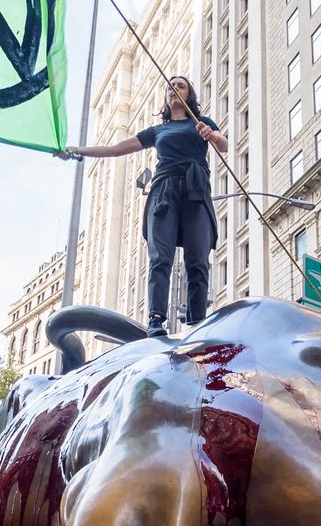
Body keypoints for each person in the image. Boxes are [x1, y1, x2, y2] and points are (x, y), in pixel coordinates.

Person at [60, 75, 228, 337]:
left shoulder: (201, 123)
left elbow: (224, 145)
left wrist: (213, 136)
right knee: (160, 258)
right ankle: (155, 321)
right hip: (164, 191)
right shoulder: (157, 131)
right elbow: (116, 149)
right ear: (165, 97)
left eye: (180, 85)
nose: (174, 89)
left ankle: (197, 323)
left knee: (198, 260)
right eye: (170, 87)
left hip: (195, 190)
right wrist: (76, 150)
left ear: (189, 94)